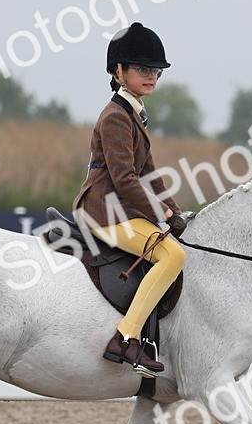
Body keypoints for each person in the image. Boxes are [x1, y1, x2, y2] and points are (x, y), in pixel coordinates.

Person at [72, 22, 188, 377]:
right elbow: (125, 179)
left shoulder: (133, 114)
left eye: (155, 71)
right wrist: (160, 212)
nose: (151, 76)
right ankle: (126, 338)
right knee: (173, 256)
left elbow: (150, 175)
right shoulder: (115, 118)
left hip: (122, 210)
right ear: (118, 72)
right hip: (104, 213)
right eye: (143, 69)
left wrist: (177, 212)